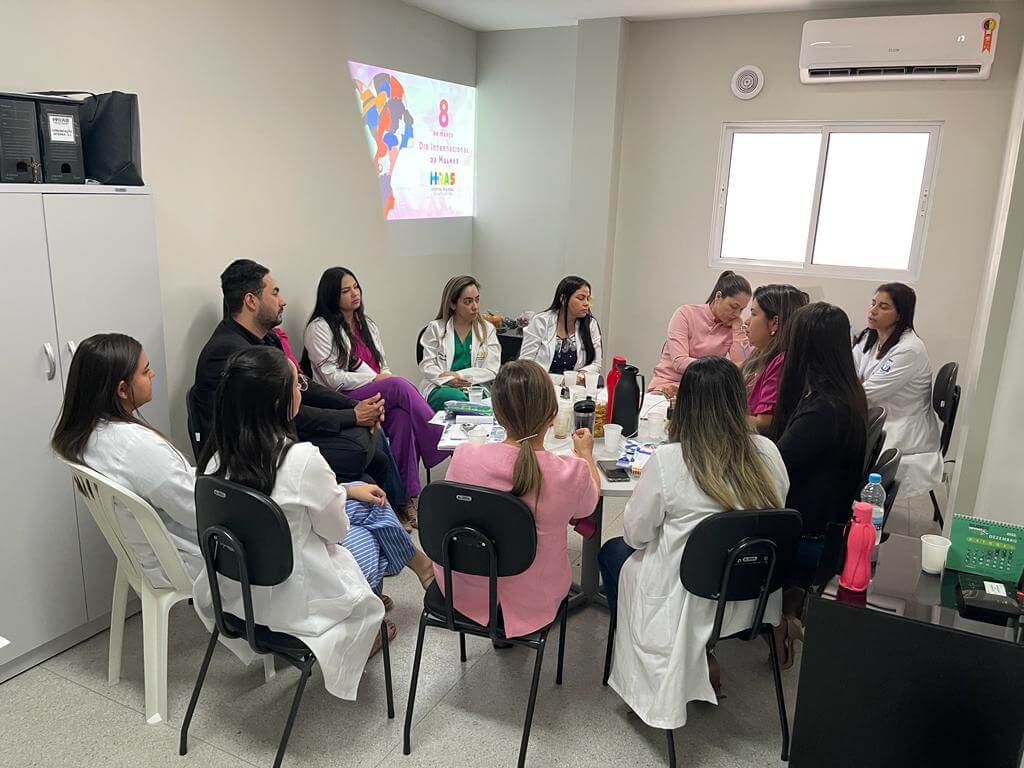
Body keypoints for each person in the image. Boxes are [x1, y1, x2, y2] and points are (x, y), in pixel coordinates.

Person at [193, 347, 436, 693]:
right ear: (279, 402)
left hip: (239, 595)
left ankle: (420, 568)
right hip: (296, 603)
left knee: (368, 500)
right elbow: (335, 532)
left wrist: (346, 491)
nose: (301, 391)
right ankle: (365, 630)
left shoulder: (216, 460)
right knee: (372, 533)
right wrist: (340, 496)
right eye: (297, 385)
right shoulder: (301, 459)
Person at [598, 356, 789, 729]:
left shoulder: (671, 460)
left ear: (683, 405)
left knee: (613, 553)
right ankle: (705, 652)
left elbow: (636, 535)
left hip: (687, 599)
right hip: (753, 593)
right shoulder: (769, 452)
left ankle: (649, 663)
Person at [193, 259, 403, 506]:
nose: (282, 301)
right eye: (275, 293)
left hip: (279, 435)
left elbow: (304, 386)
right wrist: (352, 416)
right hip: (254, 454)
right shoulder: (230, 353)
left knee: (375, 454)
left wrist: (355, 406)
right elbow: (283, 412)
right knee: (363, 456)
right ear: (251, 301)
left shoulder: (267, 339)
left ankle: (393, 512)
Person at [437, 359, 600, 637]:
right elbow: (589, 505)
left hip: (465, 589)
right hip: (535, 596)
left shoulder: (464, 456)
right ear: (552, 415)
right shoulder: (570, 473)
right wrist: (585, 455)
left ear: (497, 414)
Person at [51, 333, 202, 587]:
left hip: (141, 555)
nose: (152, 374)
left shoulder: (88, 436)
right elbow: (196, 511)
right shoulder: (137, 447)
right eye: (145, 371)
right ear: (122, 389)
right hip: (181, 561)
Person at [303, 267, 448, 513]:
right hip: (342, 399)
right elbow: (330, 378)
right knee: (397, 385)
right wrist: (375, 379)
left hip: (373, 390)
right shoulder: (319, 328)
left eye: (356, 287)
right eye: (345, 291)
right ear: (331, 296)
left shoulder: (367, 324)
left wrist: (382, 377)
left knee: (402, 419)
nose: (354, 294)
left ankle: (403, 499)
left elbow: (383, 365)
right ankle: (439, 437)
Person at [852, 283, 943, 498]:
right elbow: (849, 372)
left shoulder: (909, 349)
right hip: (877, 418)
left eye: (883, 307)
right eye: (873, 303)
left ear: (900, 314)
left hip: (901, 429)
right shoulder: (869, 338)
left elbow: (867, 394)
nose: (873, 311)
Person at [649, 270, 751, 396]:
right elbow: (679, 362)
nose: (737, 314)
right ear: (718, 296)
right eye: (733, 307)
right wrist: (718, 370)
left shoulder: (732, 326)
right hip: (668, 386)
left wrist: (738, 330)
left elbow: (743, 367)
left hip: (703, 392)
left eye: (741, 309)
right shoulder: (685, 314)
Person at [418, 275, 501, 412]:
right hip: (442, 387)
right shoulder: (436, 328)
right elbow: (427, 365)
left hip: (475, 387)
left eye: (477, 300)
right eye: (468, 302)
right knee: (456, 398)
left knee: (476, 401)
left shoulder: (487, 330)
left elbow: (491, 370)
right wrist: (447, 379)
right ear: (453, 304)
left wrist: (458, 376)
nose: (475, 307)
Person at [741, 284, 809, 431]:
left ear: (774, 323)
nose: (746, 321)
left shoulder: (781, 362)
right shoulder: (760, 353)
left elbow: (764, 422)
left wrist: (720, 418)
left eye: (753, 314)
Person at [518, 276, 603, 380]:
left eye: (588, 299)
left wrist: (581, 375)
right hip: (542, 384)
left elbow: (596, 363)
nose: (586, 304)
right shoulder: (541, 321)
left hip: (575, 386)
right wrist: (560, 380)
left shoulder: (590, 324)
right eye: (581, 298)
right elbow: (525, 363)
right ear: (563, 299)